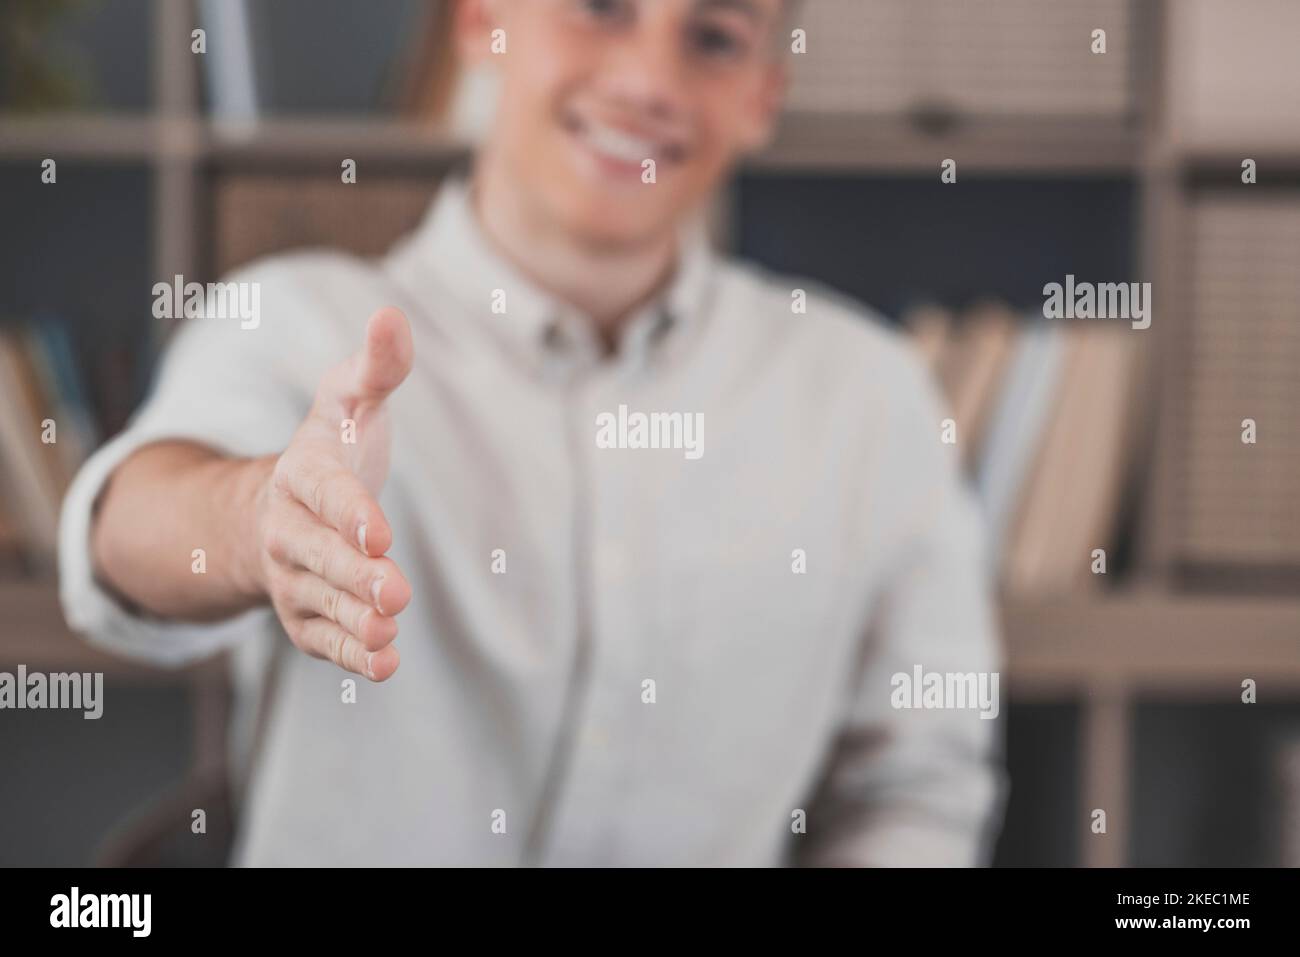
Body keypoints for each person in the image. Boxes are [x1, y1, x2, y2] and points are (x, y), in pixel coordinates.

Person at [61, 0, 1004, 866]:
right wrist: (257, 518)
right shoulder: (297, 320)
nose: (648, 82)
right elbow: (122, 533)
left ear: (763, 96)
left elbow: (915, 785)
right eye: (600, 8)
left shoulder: (869, 397)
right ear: (482, 22)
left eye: (713, 36)